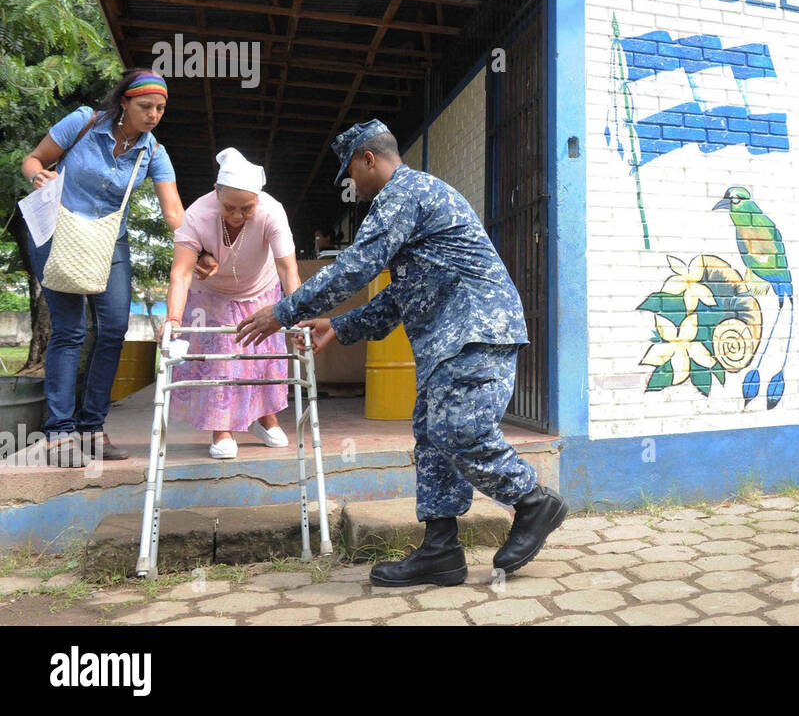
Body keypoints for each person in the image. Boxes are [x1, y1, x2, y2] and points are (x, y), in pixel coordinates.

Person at [235, 120, 568, 586]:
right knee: (433, 437)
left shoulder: (405, 193)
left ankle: (533, 501)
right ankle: (441, 551)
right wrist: (341, 324)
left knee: (458, 428)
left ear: (368, 158)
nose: (351, 185)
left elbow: (356, 266)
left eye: (350, 172)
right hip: (446, 341)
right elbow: (399, 296)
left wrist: (284, 311)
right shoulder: (410, 202)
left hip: (477, 327)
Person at [20, 69, 214, 467]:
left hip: (109, 240)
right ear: (124, 102)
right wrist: (38, 175)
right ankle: (59, 433)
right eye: (146, 106)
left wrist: (201, 250)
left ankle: (92, 428)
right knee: (71, 329)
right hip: (59, 233)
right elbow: (34, 159)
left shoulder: (153, 152)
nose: (154, 114)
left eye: (160, 108)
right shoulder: (84, 122)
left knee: (112, 329)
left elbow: (174, 212)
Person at [162, 148, 301, 459]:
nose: (238, 216)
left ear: (258, 200)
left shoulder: (272, 212)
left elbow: (287, 268)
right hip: (212, 295)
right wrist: (172, 318)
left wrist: (298, 314)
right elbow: (181, 272)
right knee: (222, 358)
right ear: (216, 192)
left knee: (263, 359)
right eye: (230, 208)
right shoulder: (197, 215)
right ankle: (222, 428)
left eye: (246, 208)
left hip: (260, 287)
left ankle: (265, 420)